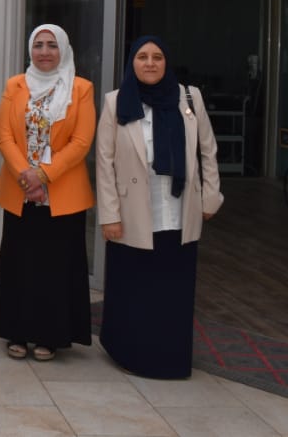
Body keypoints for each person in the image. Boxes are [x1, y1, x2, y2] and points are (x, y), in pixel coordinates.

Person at [95, 35, 224, 379]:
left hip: (178, 210)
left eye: (157, 57)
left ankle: (169, 359)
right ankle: (131, 354)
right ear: (132, 63)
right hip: (132, 212)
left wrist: (211, 196)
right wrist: (109, 214)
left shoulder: (189, 98)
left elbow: (208, 150)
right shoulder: (116, 101)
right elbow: (104, 162)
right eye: (142, 57)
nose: (150, 63)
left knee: (172, 290)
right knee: (134, 287)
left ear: (167, 62)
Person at [0, 24, 95, 362]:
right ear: (30, 50)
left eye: (52, 45)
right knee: (20, 264)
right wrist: (26, 175)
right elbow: (4, 136)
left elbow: (81, 142)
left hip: (63, 193)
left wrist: (43, 175)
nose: (45, 52)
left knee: (56, 267)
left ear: (63, 49)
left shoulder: (81, 88)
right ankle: (17, 331)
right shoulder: (15, 85)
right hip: (20, 190)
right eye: (38, 45)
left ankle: (51, 335)